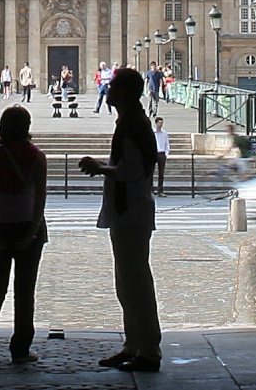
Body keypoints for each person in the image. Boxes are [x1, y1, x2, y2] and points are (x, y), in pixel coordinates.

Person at [79, 68, 162, 373]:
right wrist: (105, 168)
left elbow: (132, 171)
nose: (107, 88)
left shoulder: (134, 125)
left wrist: (100, 168)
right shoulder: (131, 122)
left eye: (112, 85)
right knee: (126, 284)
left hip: (132, 211)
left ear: (123, 93)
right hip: (128, 211)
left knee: (136, 284)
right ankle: (133, 344)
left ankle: (149, 351)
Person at [0, 106, 48, 364]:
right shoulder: (37, 157)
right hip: (28, 225)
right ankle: (21, 348)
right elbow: (40, 200)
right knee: (25, 291)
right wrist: (34, 231)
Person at [153, 116, 170, 196]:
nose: (161, 125)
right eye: (159, 123)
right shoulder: (152, 133)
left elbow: (167, 144)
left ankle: (160, 190)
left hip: (162, 153)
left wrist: (166, 153)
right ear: (156, 123)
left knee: (161, 173)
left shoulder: (164, 133)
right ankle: (150, 190)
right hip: (153, 153)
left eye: (162, 123)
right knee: (151, 173)